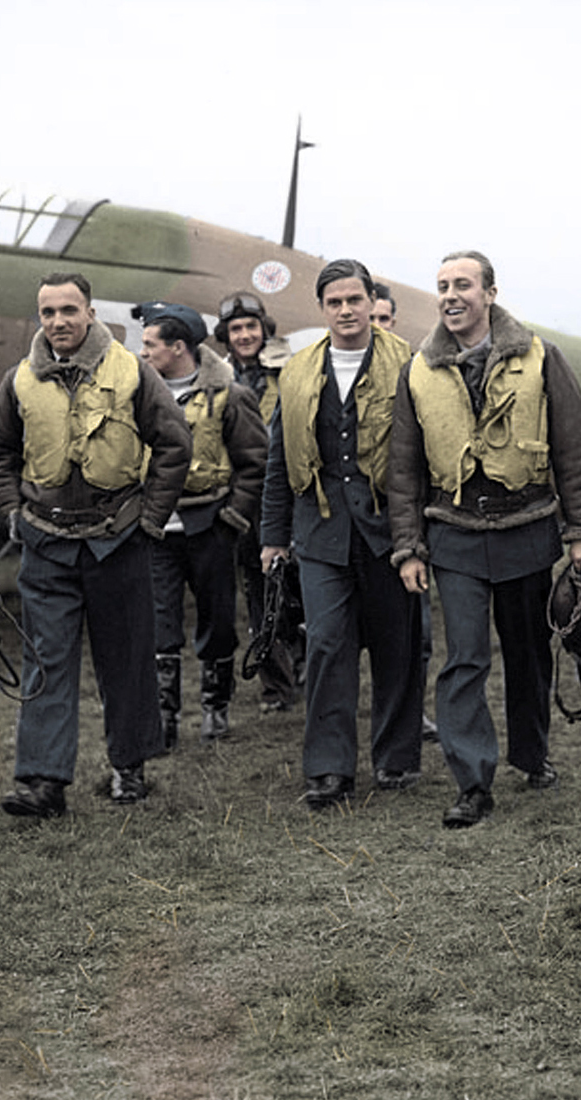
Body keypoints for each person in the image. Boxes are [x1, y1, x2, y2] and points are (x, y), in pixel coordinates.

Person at [390, 251, 581, 828]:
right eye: (442, 286)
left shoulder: (540, 358)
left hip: (527, 529)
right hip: (454, 536)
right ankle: (472, 783)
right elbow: (403, 469)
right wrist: (409, 545)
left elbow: (574, 449)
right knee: (464, 660)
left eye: (463, 284)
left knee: (530, 654)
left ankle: (533, 755)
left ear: (490, 292)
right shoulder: (418, 369)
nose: (451, 295)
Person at [0, 273, 191, 817]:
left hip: (117, 539)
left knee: (126, 659)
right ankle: (42, 782)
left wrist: (150, 520)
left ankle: (129, 768)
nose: (58, 322)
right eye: (47, 312)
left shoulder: (132, 372)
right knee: (45, 662)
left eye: (69, 310)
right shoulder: (21, 379)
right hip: (46, 543)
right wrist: (13, 513)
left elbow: (173, 444)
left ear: (90, 312)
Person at [261, 259, 424, 809]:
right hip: (321, 532)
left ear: (371, 301)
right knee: (328, 645)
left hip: (391, 534)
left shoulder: (410, 364)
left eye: (355, 299)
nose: (347, 310)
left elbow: (426, 454)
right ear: (323, 308)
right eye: (335, 302)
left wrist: (419, 536)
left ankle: (397, 760)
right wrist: (273, 536)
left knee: (398, 648)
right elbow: (279, 460)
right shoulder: (299, 370)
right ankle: (328, 770)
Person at [135, 300, 267, 747]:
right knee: (158, 622)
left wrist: (232, 518)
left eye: (150, 343)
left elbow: (254, 463)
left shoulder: (230, 395)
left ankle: (216, 708)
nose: (142, 351)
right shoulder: (137, 393)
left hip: (210, 525)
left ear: (178, 347)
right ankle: (164, 716)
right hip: (155, 529)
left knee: (217, 618)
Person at [216, 290, 301, 712]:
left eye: (251, 327)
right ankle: (276, 687)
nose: (245, 335)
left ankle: (304, 663)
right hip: (246, 497)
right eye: (236, 329)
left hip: (288, 493)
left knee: (298, 588)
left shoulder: (287, 373)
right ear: (225, 336)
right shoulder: (218, 379)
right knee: (258, 591)